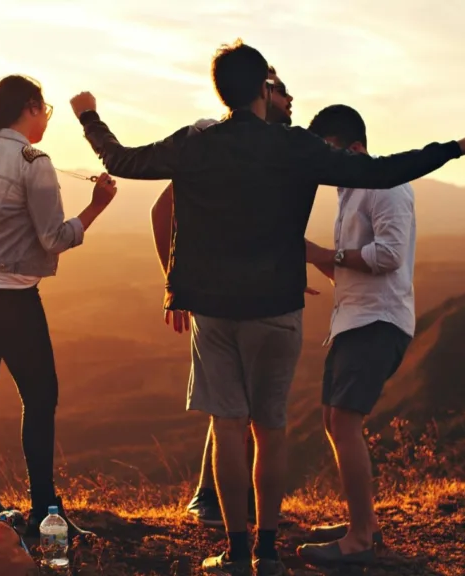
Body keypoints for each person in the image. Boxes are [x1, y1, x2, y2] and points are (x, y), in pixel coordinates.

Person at [71, 40, 465, 575]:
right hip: (277, 306)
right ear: (264, 90)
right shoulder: (293, 146)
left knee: (228, 427)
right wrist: (454, 147)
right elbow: (383, 171)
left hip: (214, 309)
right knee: (270, 429)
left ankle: (236, 552)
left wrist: (89, 117)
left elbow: (122, 160)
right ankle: (267, 552)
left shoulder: (196, 144)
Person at [0, 74, 116, 540]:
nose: (46, 121)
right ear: (31, 108)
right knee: (40, 396)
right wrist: (97, 206)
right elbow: (53, 238)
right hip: (10, 291)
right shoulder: (33, 161)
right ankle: (45, 510)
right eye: (46, 111)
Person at [150, 65, 295, 528]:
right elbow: (162, 211)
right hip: (219, 298)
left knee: (238, 407)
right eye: (282, 90)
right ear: (260, 92)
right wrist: (176, 285)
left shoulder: (266, 149)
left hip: (248, 294)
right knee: (233, 409)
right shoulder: (212, 140)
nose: (290, 100)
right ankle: (213, 501)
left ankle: (228, 505)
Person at [293, 104, 417, 566]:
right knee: (334, 420)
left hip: (378, 322)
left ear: (356, 148)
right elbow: (349, 266)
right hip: (353, 319)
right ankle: (362, 522)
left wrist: (325, 254)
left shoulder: (386, 186)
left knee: (344, 422)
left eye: (329, 152)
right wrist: (314, 259)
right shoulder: (349, 191)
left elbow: (388, 256)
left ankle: (360, 539)